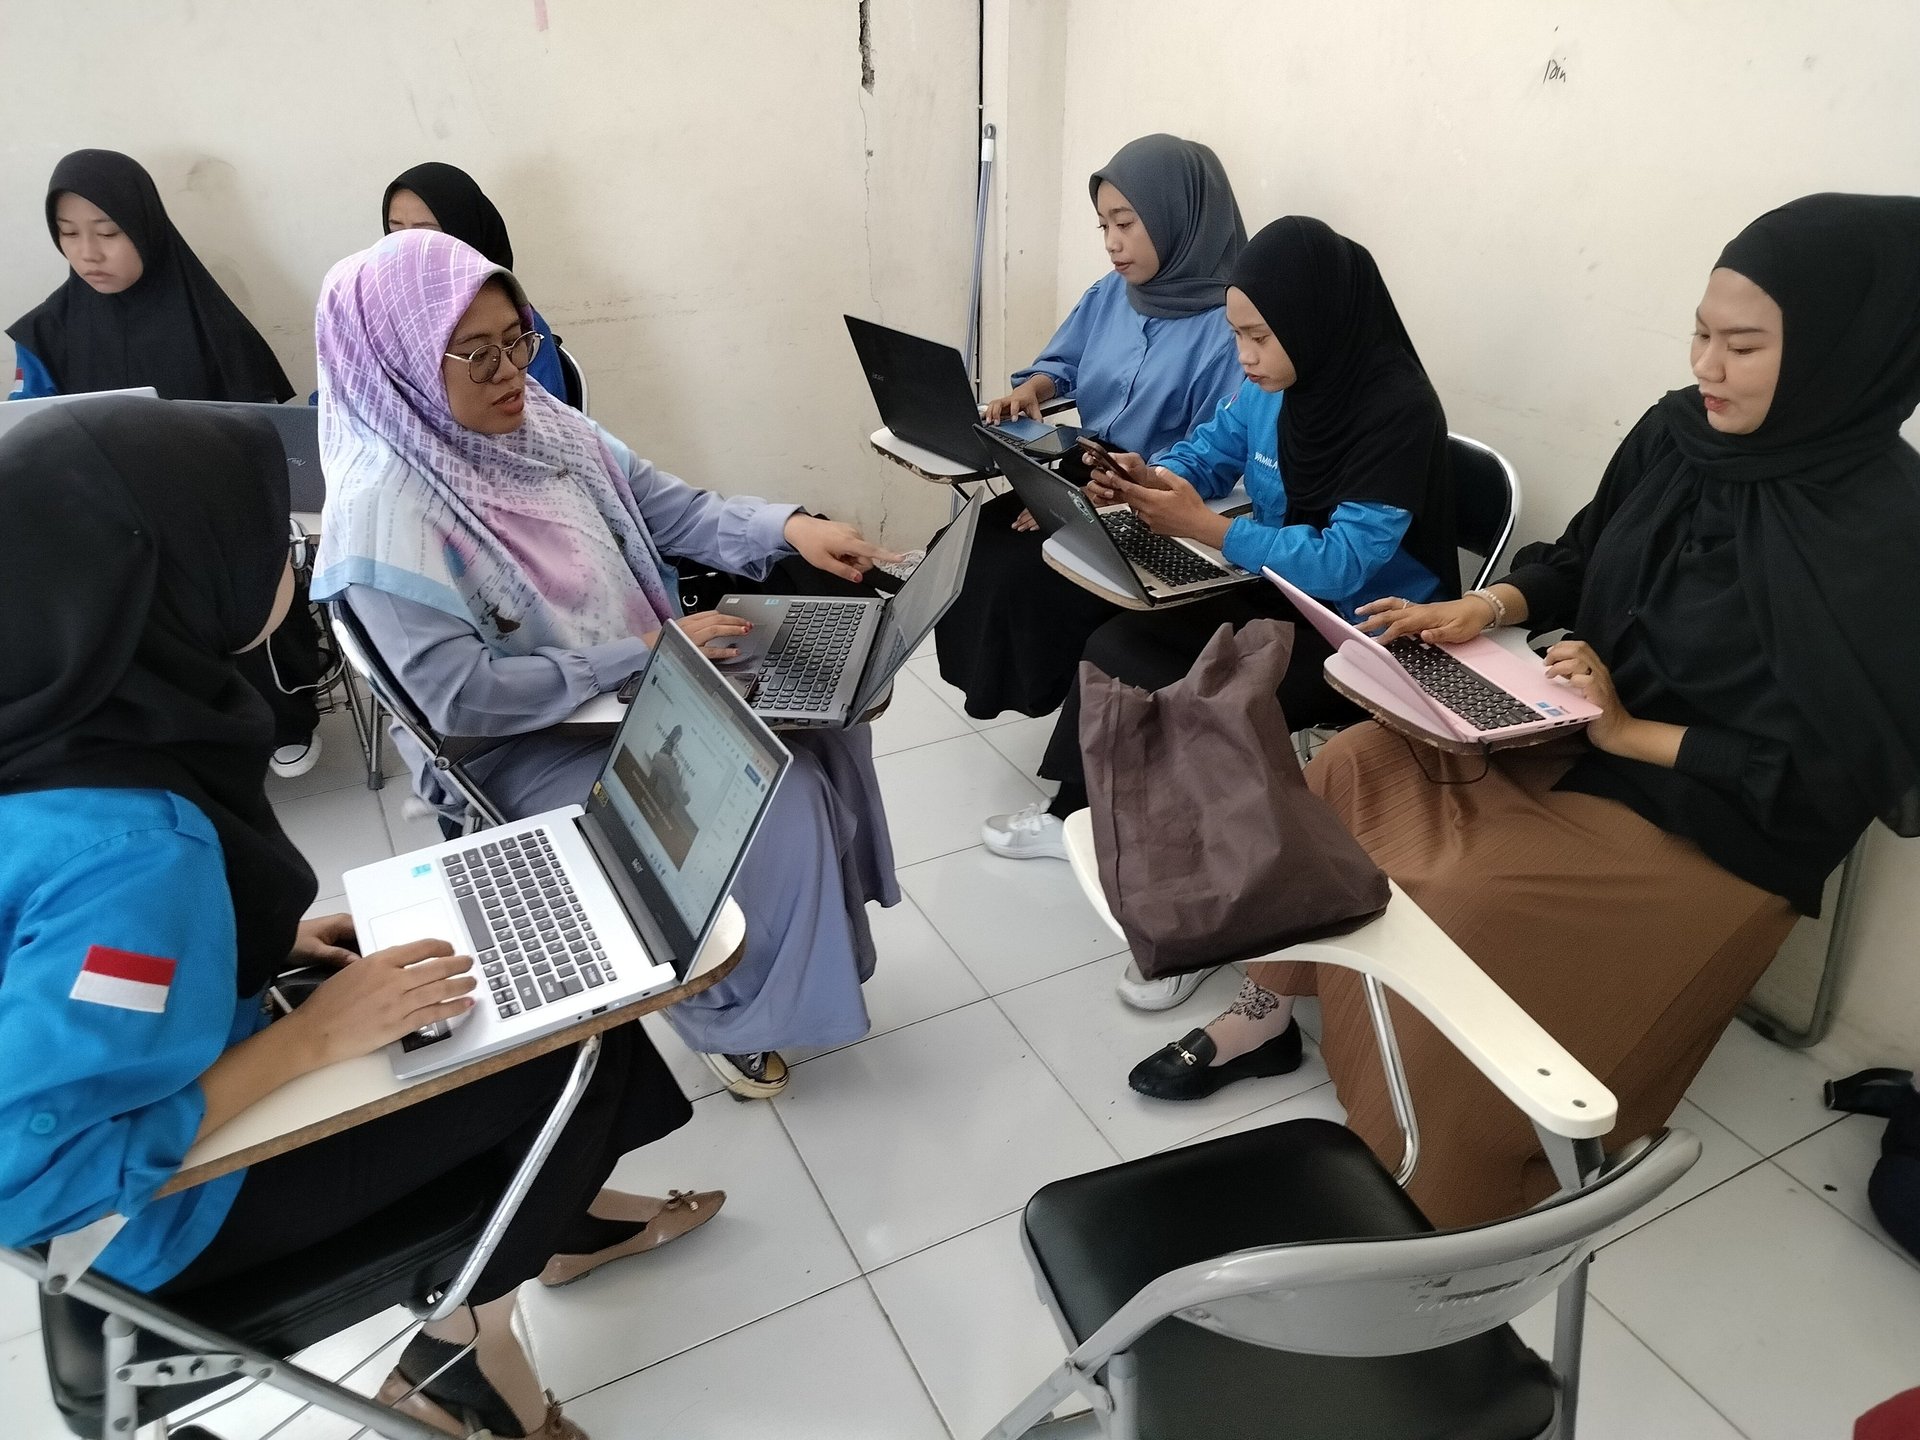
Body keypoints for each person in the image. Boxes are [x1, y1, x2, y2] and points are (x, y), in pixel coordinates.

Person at [1129, 193, 1920, 1230]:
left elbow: (1829, 775)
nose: (1707, 368)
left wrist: (1630, 732)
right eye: (1699, 334)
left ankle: (1440, 1164)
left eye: (1743, 347)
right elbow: (1580, 556)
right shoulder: (1679, 434)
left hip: (1711, 810)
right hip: (1569, 724)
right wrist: (1489, 606)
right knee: (1347, 770)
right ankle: (1265, 1012)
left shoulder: (1883, 527)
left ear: (1836, 355)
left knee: (1458, 906)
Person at [0, 396, 726, 1440]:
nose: (293, 563)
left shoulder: (61, 719)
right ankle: (463, 1362)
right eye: (265, 539)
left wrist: (248, 946)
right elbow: (32, 1178)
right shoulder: (135, 859)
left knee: (540, 1008)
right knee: (576, 1047)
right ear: (168, 579)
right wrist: (310, 1041)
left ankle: (550, 1230)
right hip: (159, 1220)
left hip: (178, 1075)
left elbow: (69, 959)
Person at [311, 229, 901, 1099]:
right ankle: (731, 1011)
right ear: (397, 364)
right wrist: (643, 654)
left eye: (519, 340)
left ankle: (788, 957)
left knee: (828, 720)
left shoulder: (542, 425)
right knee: (779, 790)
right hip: (524, 743)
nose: (511, 372)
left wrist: (790, 527)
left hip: (641, 681)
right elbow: (461, 700)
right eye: (476, 354)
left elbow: (674, 510)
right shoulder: (384, 517)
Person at [988, 216, 1456, 1008]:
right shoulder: (1274, 389)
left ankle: (1200, 915)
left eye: (1258, 337)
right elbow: (1209, 451)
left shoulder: (1396, 410)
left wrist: (1208, 528)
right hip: (1276, 583)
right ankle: (1079, 810)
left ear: (1314, 323)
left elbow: (1344, 561)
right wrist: (1149, 476)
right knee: (1118, 644)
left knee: (1211, 697)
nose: (1244, 355)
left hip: (1366, 627)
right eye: (1237, 334)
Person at [6, 149, 325, 781]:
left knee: (237, 570)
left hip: (213, 517)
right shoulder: (46, 333)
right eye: (68, 234)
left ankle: (283, 717)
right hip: (101, 523)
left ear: (145, 227)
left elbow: (265, 439)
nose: (87, 253)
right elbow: (28, 433)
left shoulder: (208, 320)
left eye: (108, 232)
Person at [932, 134, 1246, 720]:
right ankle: (1011, 691)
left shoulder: (1232, 327)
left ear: (1179, 218)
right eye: (1103, 226)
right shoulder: (1112, 294)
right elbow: (1065, 364)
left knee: (1019, 578)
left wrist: (1106, 497)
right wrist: (1033, 389)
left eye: (1125, 223)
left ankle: (1064, 702)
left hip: (1157, 496)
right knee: (969, 545)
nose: (1111, 243)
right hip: (1088, 466)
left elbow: (1217, 456)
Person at [382, 161, 573, 403]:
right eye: (396, 231)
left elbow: (543, 415)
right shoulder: (383, 316)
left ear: (465, 234)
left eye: (427, 233)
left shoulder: (515, 325)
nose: (407, 248)